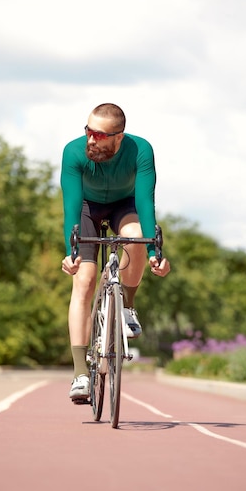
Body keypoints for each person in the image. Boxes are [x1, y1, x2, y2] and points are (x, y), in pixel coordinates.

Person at [61, 103, 170, 401]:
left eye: (99, 134)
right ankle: (80, 372)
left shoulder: (141, 150)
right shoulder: (73, 152)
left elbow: (146, 202)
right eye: (88, 131)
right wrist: (70, 251)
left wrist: (153, 252)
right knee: (84, 279)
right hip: (87, 208)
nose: (91, 139)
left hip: (125, 205)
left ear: (118, 137)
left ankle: (127, 307)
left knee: (134, 238)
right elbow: (70, 206)